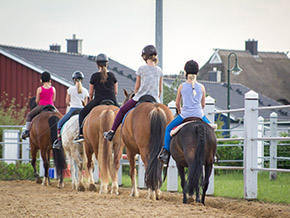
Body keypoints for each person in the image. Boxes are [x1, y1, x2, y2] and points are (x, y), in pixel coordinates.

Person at [158, 60, 217, 164]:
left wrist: (181, 111)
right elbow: (203, 105)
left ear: (185, 73)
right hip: (199, 115)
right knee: (211, 131)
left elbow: (177, 104)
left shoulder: (181, 86)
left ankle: (165, 152)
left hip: (185, 115)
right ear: (197, 73)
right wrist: (197, 111)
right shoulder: (202, 87)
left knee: (168, 129)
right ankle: (213, 154)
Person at [104, 45, 163, 141]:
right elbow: (160, 90)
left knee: (122, 110)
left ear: (144, 57)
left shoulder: (141, 69)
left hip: (140, 97)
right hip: (155, 99)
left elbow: (137, 87)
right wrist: (156, 97)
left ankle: (111, 132)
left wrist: (136, 94)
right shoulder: (160, 71)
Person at [74, 53, 119, 143]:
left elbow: (90, 93)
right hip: (112, 99)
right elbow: (116, 92)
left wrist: (91, 99)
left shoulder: (94, 76)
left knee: (82, 114)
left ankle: (81, 134)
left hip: (98, 100)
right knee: (123, 114)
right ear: (107, 64)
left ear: (97, 64)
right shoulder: (113, 75)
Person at [53, 71, 89, 149]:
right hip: (82, 111)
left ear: (74, 79)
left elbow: (67, 102)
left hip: (73, 110)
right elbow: (85, 104)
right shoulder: (85, 91)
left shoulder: (70, 89)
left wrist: (71, 104)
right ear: (81, 80)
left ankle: (58, 141)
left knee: (59, 124)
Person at [21, 71, 56, 139]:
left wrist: (40, 104)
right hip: (51, 106)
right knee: (60, 117)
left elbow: (37, 100)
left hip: (42, 106)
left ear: (41, 80)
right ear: (49, 79)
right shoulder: (53, 88)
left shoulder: (39, 89)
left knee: (29, 115)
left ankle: (27, 131)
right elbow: (53, 99)